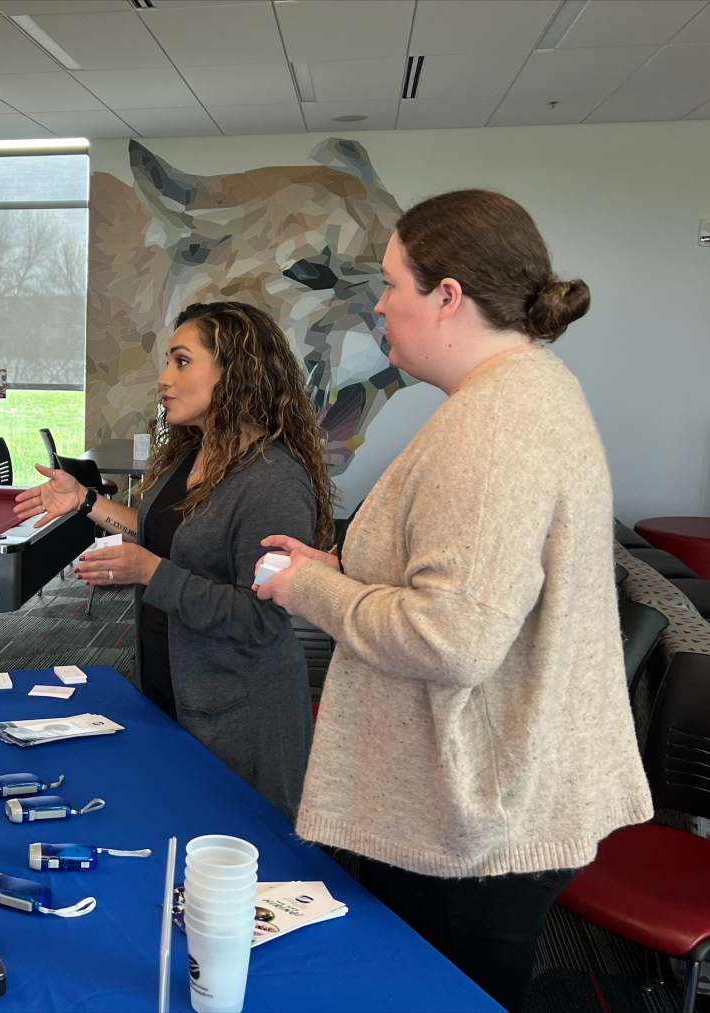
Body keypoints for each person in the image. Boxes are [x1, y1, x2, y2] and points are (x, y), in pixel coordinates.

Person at [253, 190, 651, 1012]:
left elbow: (452, 637)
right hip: (498, 793)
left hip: (474, 818)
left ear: (448, 296)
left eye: (393, 282)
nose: (380, 306)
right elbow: (468, 585)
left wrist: (309, 588)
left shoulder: (495, 425)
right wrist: (339, 566)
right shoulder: (528, 391)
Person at [14, 301, 334, 819]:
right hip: (171, 690)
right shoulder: (195, 452)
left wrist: (151, 573)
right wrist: (86, 502)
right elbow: (166, 534)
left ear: (234, 374)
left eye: (181, 362)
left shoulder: (272, 479)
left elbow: (262, 617)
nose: (164, 378)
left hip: (238, 716)